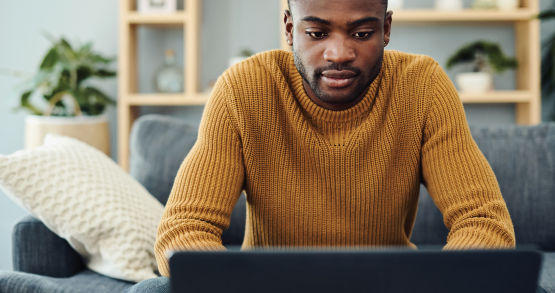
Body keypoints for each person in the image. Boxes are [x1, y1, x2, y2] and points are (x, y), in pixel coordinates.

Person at [125, 0, 546, 292]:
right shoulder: (243, 90)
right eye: (316, 32)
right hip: (263, 291)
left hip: (391, 291)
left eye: (362, 32)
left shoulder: (423, 86)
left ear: (387, 30)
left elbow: (484, 221)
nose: (339, 53)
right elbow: (185, 229)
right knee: (152, 291)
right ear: (290, 28)